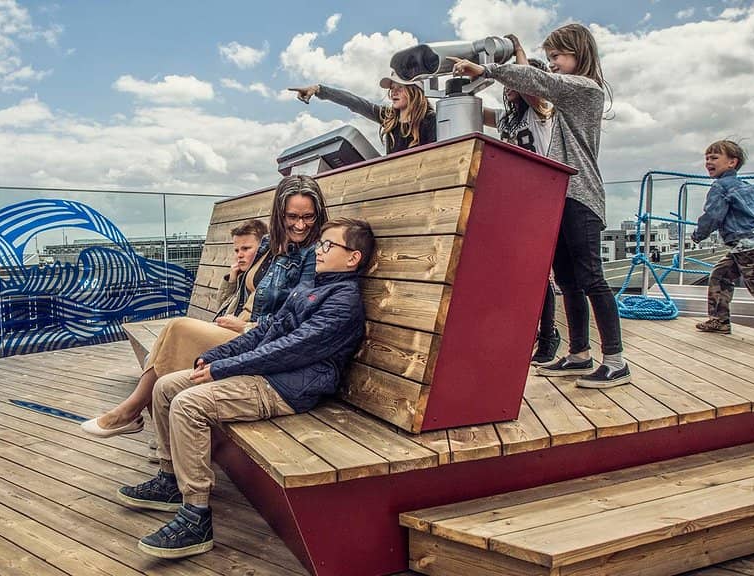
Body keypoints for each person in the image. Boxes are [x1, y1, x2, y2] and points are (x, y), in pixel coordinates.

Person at [117, 218, 375, 559]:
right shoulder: (312, 285)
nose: (319, 250)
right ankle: (169, 480)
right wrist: (214, 356)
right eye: (320, 243)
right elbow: (265, 333)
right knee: (165, 386)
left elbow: (291, 349)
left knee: (189, 404)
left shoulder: (343, 302)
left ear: (353, 258)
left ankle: (196, 516)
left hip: (286, 387)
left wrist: (224, 368)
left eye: (329, 245)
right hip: (266, 373)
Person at [450, 23, 630, 388]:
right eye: (548, 59)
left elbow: (542, 85)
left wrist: (487, 69)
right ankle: (580, 353)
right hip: (559, 196)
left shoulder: (586, 89)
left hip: (581, 195)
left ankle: (616, 360)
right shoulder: (565, 94)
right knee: (567, 281)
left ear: (580, 54)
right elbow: (541, 85)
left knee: (592, 278)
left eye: (557, 57)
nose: (552, 65)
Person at [80, 175, 328, 436]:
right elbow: (246, 294)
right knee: (169, 337)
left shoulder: (314, 253)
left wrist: (248, 326)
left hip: (258, 337)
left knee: (177, 329)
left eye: (308, 217)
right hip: (239, 327)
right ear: (279, 214)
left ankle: (131, 411)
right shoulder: (271, 245)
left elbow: (299, 315)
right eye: (292, 217)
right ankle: (149, 428)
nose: (300, 225)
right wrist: (234, 280)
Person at [482, 35, 559, 365]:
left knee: (540, 273)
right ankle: (520, 334)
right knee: (514, 272)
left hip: (540, 197)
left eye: (517, 77)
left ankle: (549, 334)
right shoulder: (506, 117)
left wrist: (516, 53)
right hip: (512, 200)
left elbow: (529, 82)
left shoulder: (541, 111)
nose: (509, 84)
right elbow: (474, 111)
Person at [691, 140, 754, 334]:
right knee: (721, 275)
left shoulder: (720, 187)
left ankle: (719, 319)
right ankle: (719, 320)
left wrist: (699, 234)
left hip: (746, 242)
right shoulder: (748, 187)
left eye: (714, 158)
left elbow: (713, 215)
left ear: (732, 162)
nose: (708, 162)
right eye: (707, 158)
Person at [289, 46, 438, 154]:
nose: (393, 92)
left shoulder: (431, 120)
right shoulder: (388, 117)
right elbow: (354, 102)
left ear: (415, 91)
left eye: (400, 87)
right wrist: (318, 89)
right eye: (392, 87)